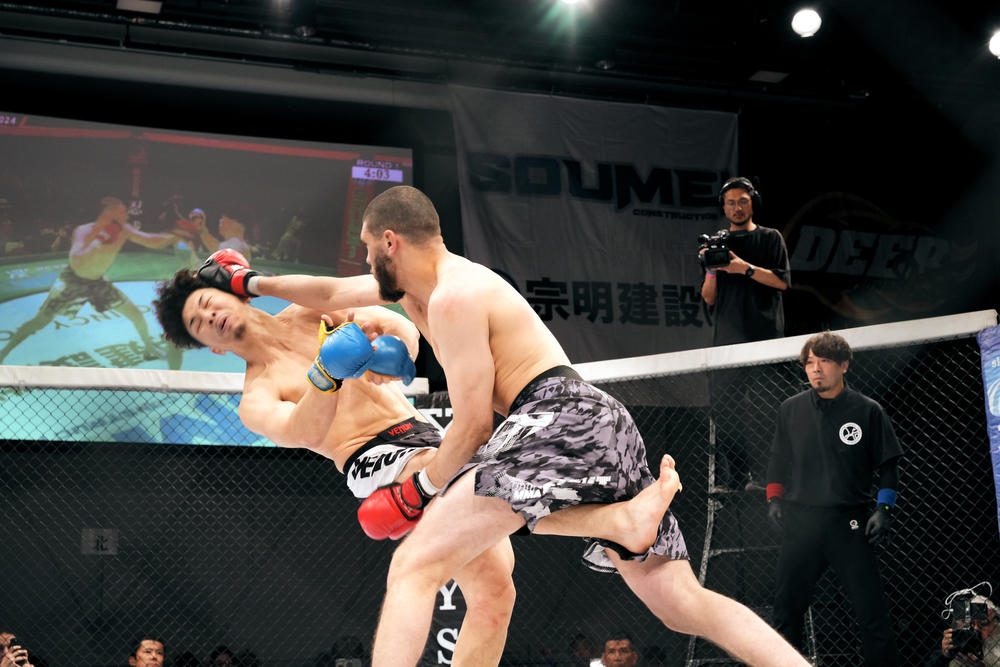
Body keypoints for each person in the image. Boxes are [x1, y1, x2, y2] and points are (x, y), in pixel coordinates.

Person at [219, 185, 808, 666]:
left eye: (368, 248)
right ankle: (625, 526)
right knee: (682, 604)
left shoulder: (454, 297)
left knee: (415, 566)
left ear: (390, 242)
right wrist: (251, 283)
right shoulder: (421, 286)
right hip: (600, 422)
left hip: (554, 417)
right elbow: (328, 291)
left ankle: (615, 521)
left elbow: (474, 424)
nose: (366, 262)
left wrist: (418, 489)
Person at [153, 253, 517, 666]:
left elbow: (397, 323)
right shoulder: (257, 396)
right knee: (428, 558)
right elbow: (303, 431)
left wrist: (394, 352)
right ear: (214, 349)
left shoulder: (310, 310)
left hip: (425, 434)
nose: (209, 316)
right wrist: (326, 372)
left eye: (206, 303)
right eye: (197, 324)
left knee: (495, 593)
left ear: (238, 295)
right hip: (375, 458)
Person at [765, 331, 902, 665]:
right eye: (810, 362)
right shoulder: (790, 409)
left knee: (871, 611)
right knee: (786, 609)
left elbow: (889, 466)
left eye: (824, 361)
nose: (816, 369)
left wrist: (884, 509)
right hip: (801, 523)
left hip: (849, 522)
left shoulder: (868, 411)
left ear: (844, 365)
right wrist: (774, 500)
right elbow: (778, 461)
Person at [0, 196, 177, 364]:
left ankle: (148, 349)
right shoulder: (84, 230)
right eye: (122, 212)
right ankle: (3, 354)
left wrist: (176, 234)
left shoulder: (123, 230)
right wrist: (99, 242)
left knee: (135, 314)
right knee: (40, 321)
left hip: (97, 282)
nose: (126, 215)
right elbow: (75, 259)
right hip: (73, 281)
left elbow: (150, 241)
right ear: (109, 214)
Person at [700, 177, 791, 492]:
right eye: (731, 203)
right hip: (728, 340)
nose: (737, 208)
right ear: (723, 207)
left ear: (753, 203)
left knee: (769, 408)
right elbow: (709, 297)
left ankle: (771, 477)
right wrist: (711, 269)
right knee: (722, 407)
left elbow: (782, 281)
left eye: (742, 201)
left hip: (765, 337)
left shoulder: (770, 238)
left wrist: (745, 268)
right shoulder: (719, 243)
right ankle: (739, 475)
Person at [927, 587, 1000, 666]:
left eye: (983, 623)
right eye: (969, 624)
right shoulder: (956, 642)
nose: (975, 628)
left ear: (996, 623)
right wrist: (944, 655)